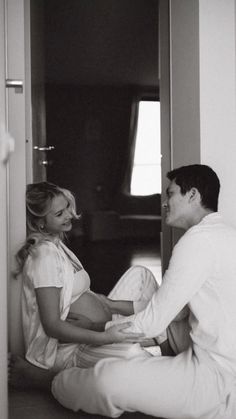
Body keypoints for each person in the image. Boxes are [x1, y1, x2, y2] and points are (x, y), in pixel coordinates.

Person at [49, 164, 236, 419]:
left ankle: (52, 378)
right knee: (143, 284)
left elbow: (153, 322)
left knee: (107, 380)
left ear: (193, 195)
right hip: (208, 358)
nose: (165, 203)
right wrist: (111, 306)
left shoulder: (198, 241)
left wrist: (93, 330)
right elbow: (175, 309)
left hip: (214, 379)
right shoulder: (225, 234)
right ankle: (113, 355)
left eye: (170, 194)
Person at [14, 181, 161, 374]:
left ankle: (158, 335)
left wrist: (108, 305)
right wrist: (105, 337)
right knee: (135, 357)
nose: (69, 215)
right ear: (40, 222)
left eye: (67, 207)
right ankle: (48, 379)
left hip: (99, 327)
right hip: (73, 346)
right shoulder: (45, 256)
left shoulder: (58, 245)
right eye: (59, 214)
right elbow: (52, 326)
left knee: (140, 274)